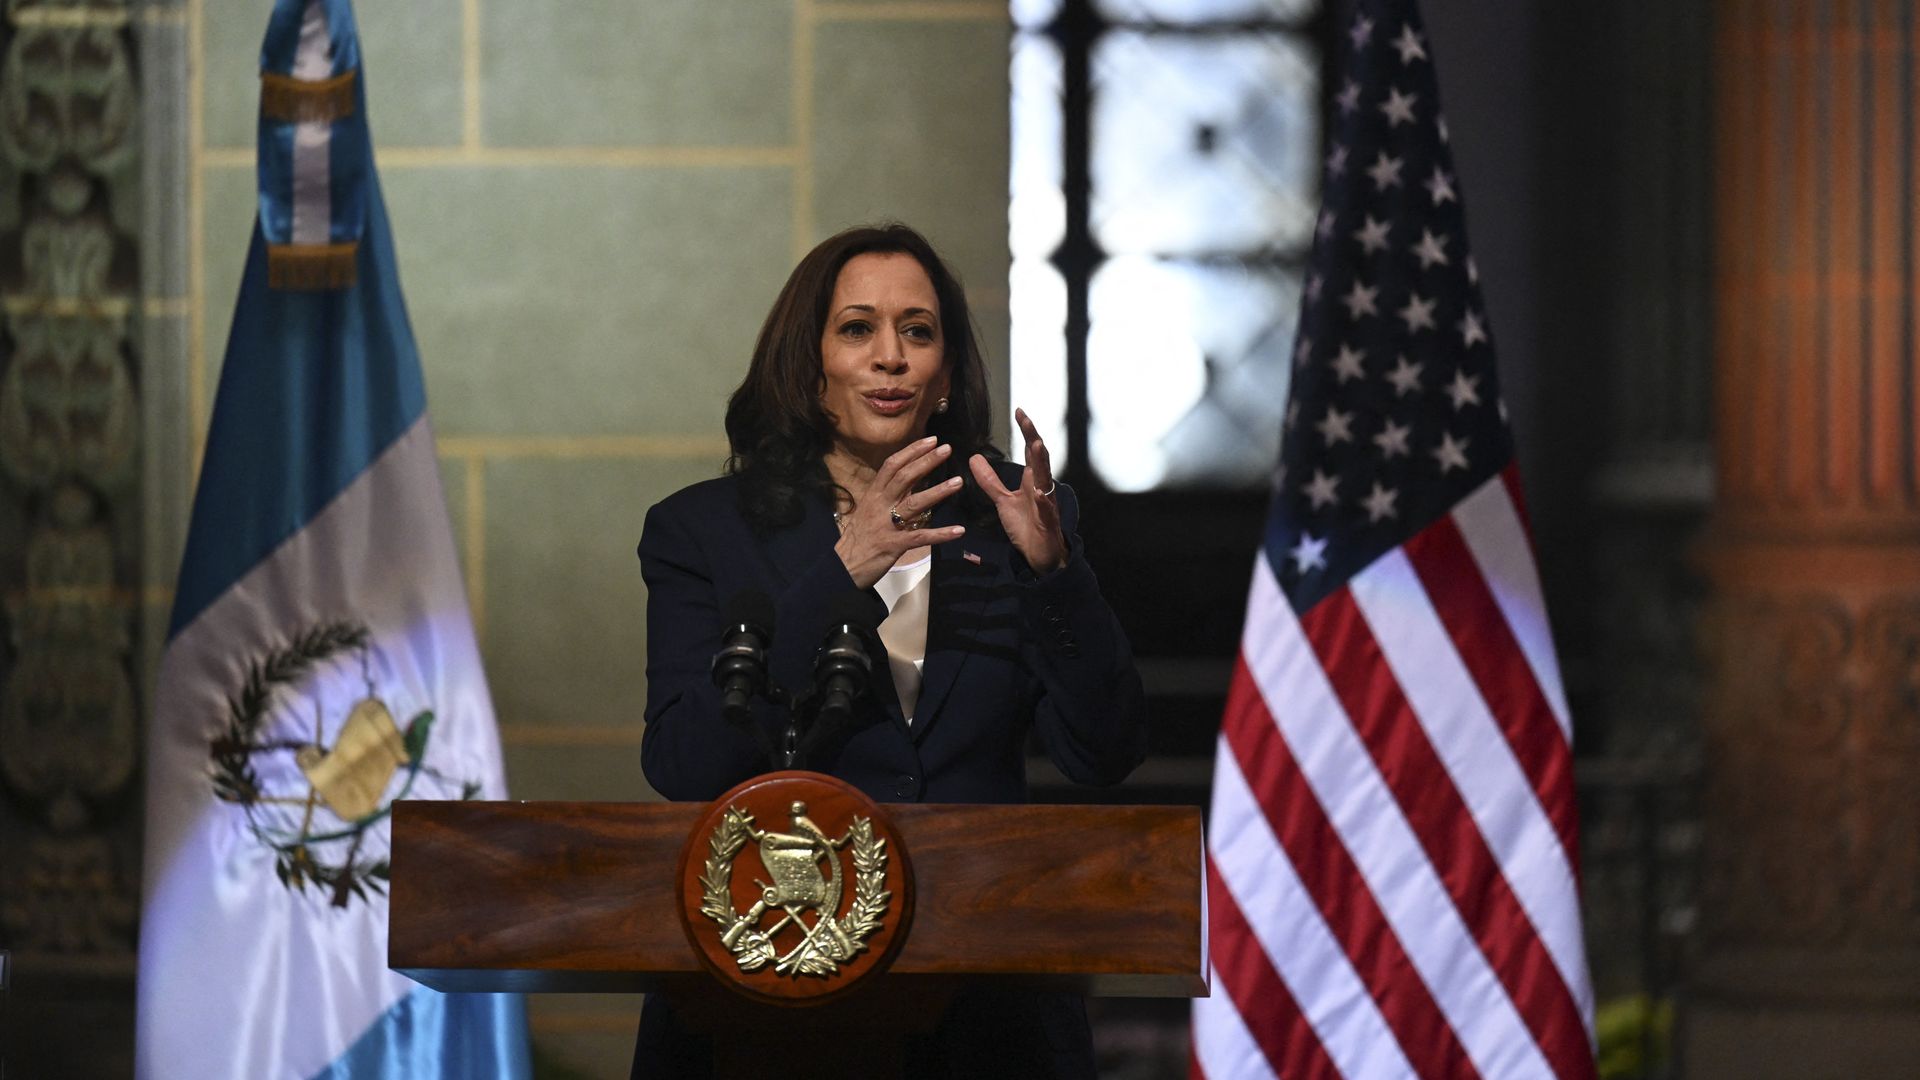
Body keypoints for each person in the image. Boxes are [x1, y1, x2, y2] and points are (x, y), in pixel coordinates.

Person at [632, 223, 1148, 1078]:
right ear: (809, 364)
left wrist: (1055, 573)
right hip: (768, 990)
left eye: (918, 331)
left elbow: (1104, 753)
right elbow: (685, 761)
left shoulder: (1011, 521)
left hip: (988, 1015)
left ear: (946, 374)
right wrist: (842, 573)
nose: (891, 357)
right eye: (857, 328)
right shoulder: (701, 531)